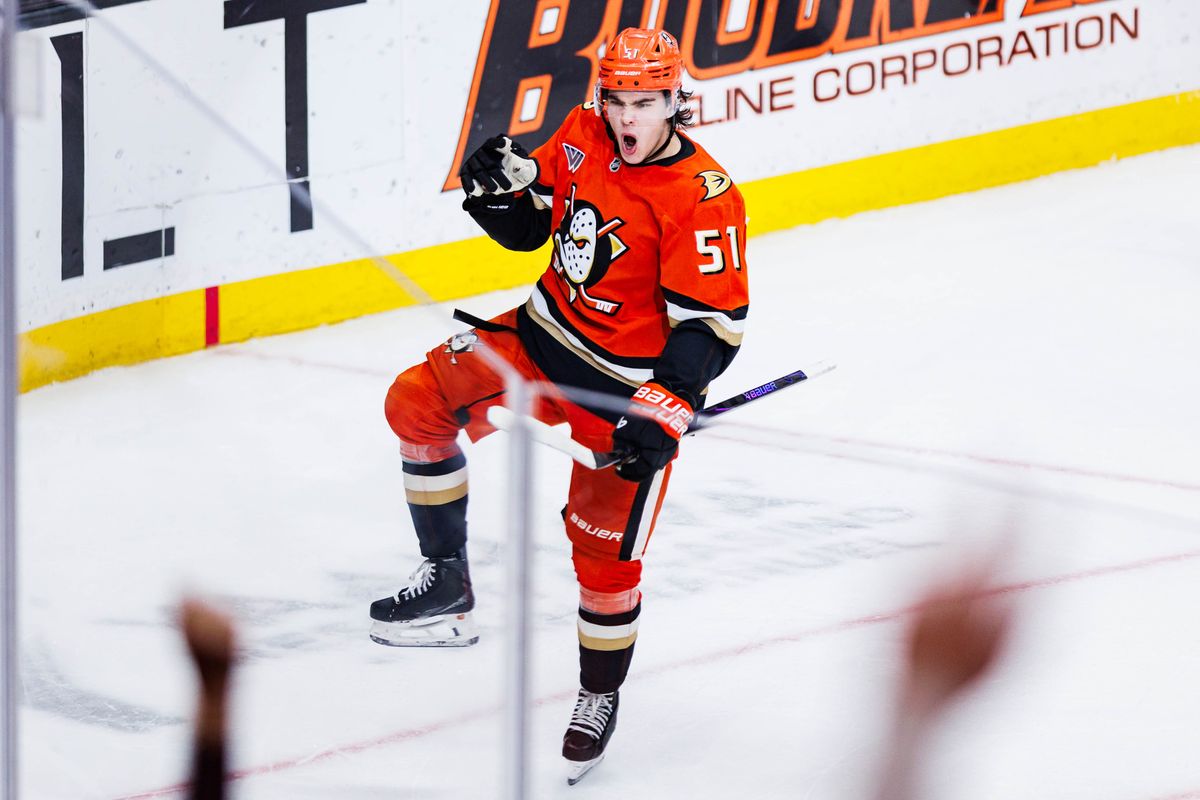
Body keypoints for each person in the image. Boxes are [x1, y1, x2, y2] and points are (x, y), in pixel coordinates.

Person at [369, 27, 749, 782]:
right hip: (536, 340)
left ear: (677, 100)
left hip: (619, 393)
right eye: (617, 99)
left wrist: (663, 410)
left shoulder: (704, 197)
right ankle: (447, 581)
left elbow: (712, 326)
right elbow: (534, 230)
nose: (628, 117)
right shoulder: (583, 133)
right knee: (414, 403)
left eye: (646, 101)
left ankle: (597, 695)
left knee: (604, 564)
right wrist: (497, 191)